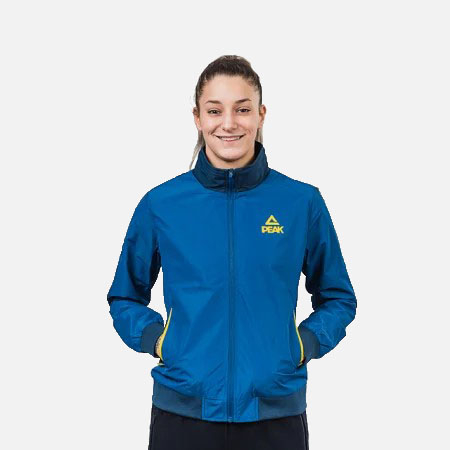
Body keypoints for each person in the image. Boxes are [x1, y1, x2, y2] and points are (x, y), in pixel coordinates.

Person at [107, 55, 357, 450]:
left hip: (275, 414)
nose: (228, 123)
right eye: (214, 110)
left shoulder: (301, 202)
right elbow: (124, 297)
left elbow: (339, 297)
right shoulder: (161, 204)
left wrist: (303, 344)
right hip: (182, 414)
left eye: (242, 109)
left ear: (260, 115)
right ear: (197, 118)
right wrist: (159, 340)